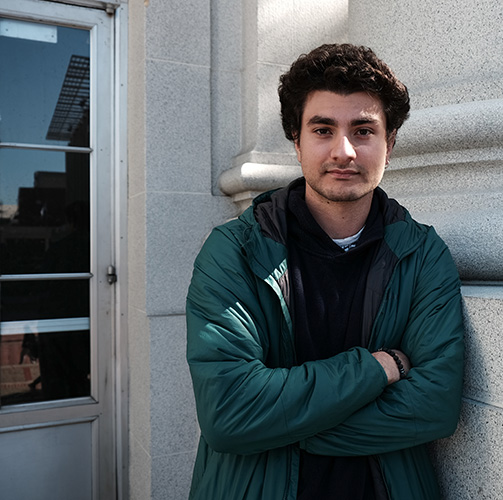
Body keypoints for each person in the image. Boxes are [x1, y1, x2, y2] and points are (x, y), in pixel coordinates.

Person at [186, 43, 465, 500]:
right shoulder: (233, 251)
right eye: (322, 129)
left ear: (389, 144)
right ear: (296, 142)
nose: (344, 151)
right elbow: (230, 413)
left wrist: (283, 422)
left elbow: (433, 406)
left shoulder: (423, 254)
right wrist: (380, 368)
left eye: (363, 130)